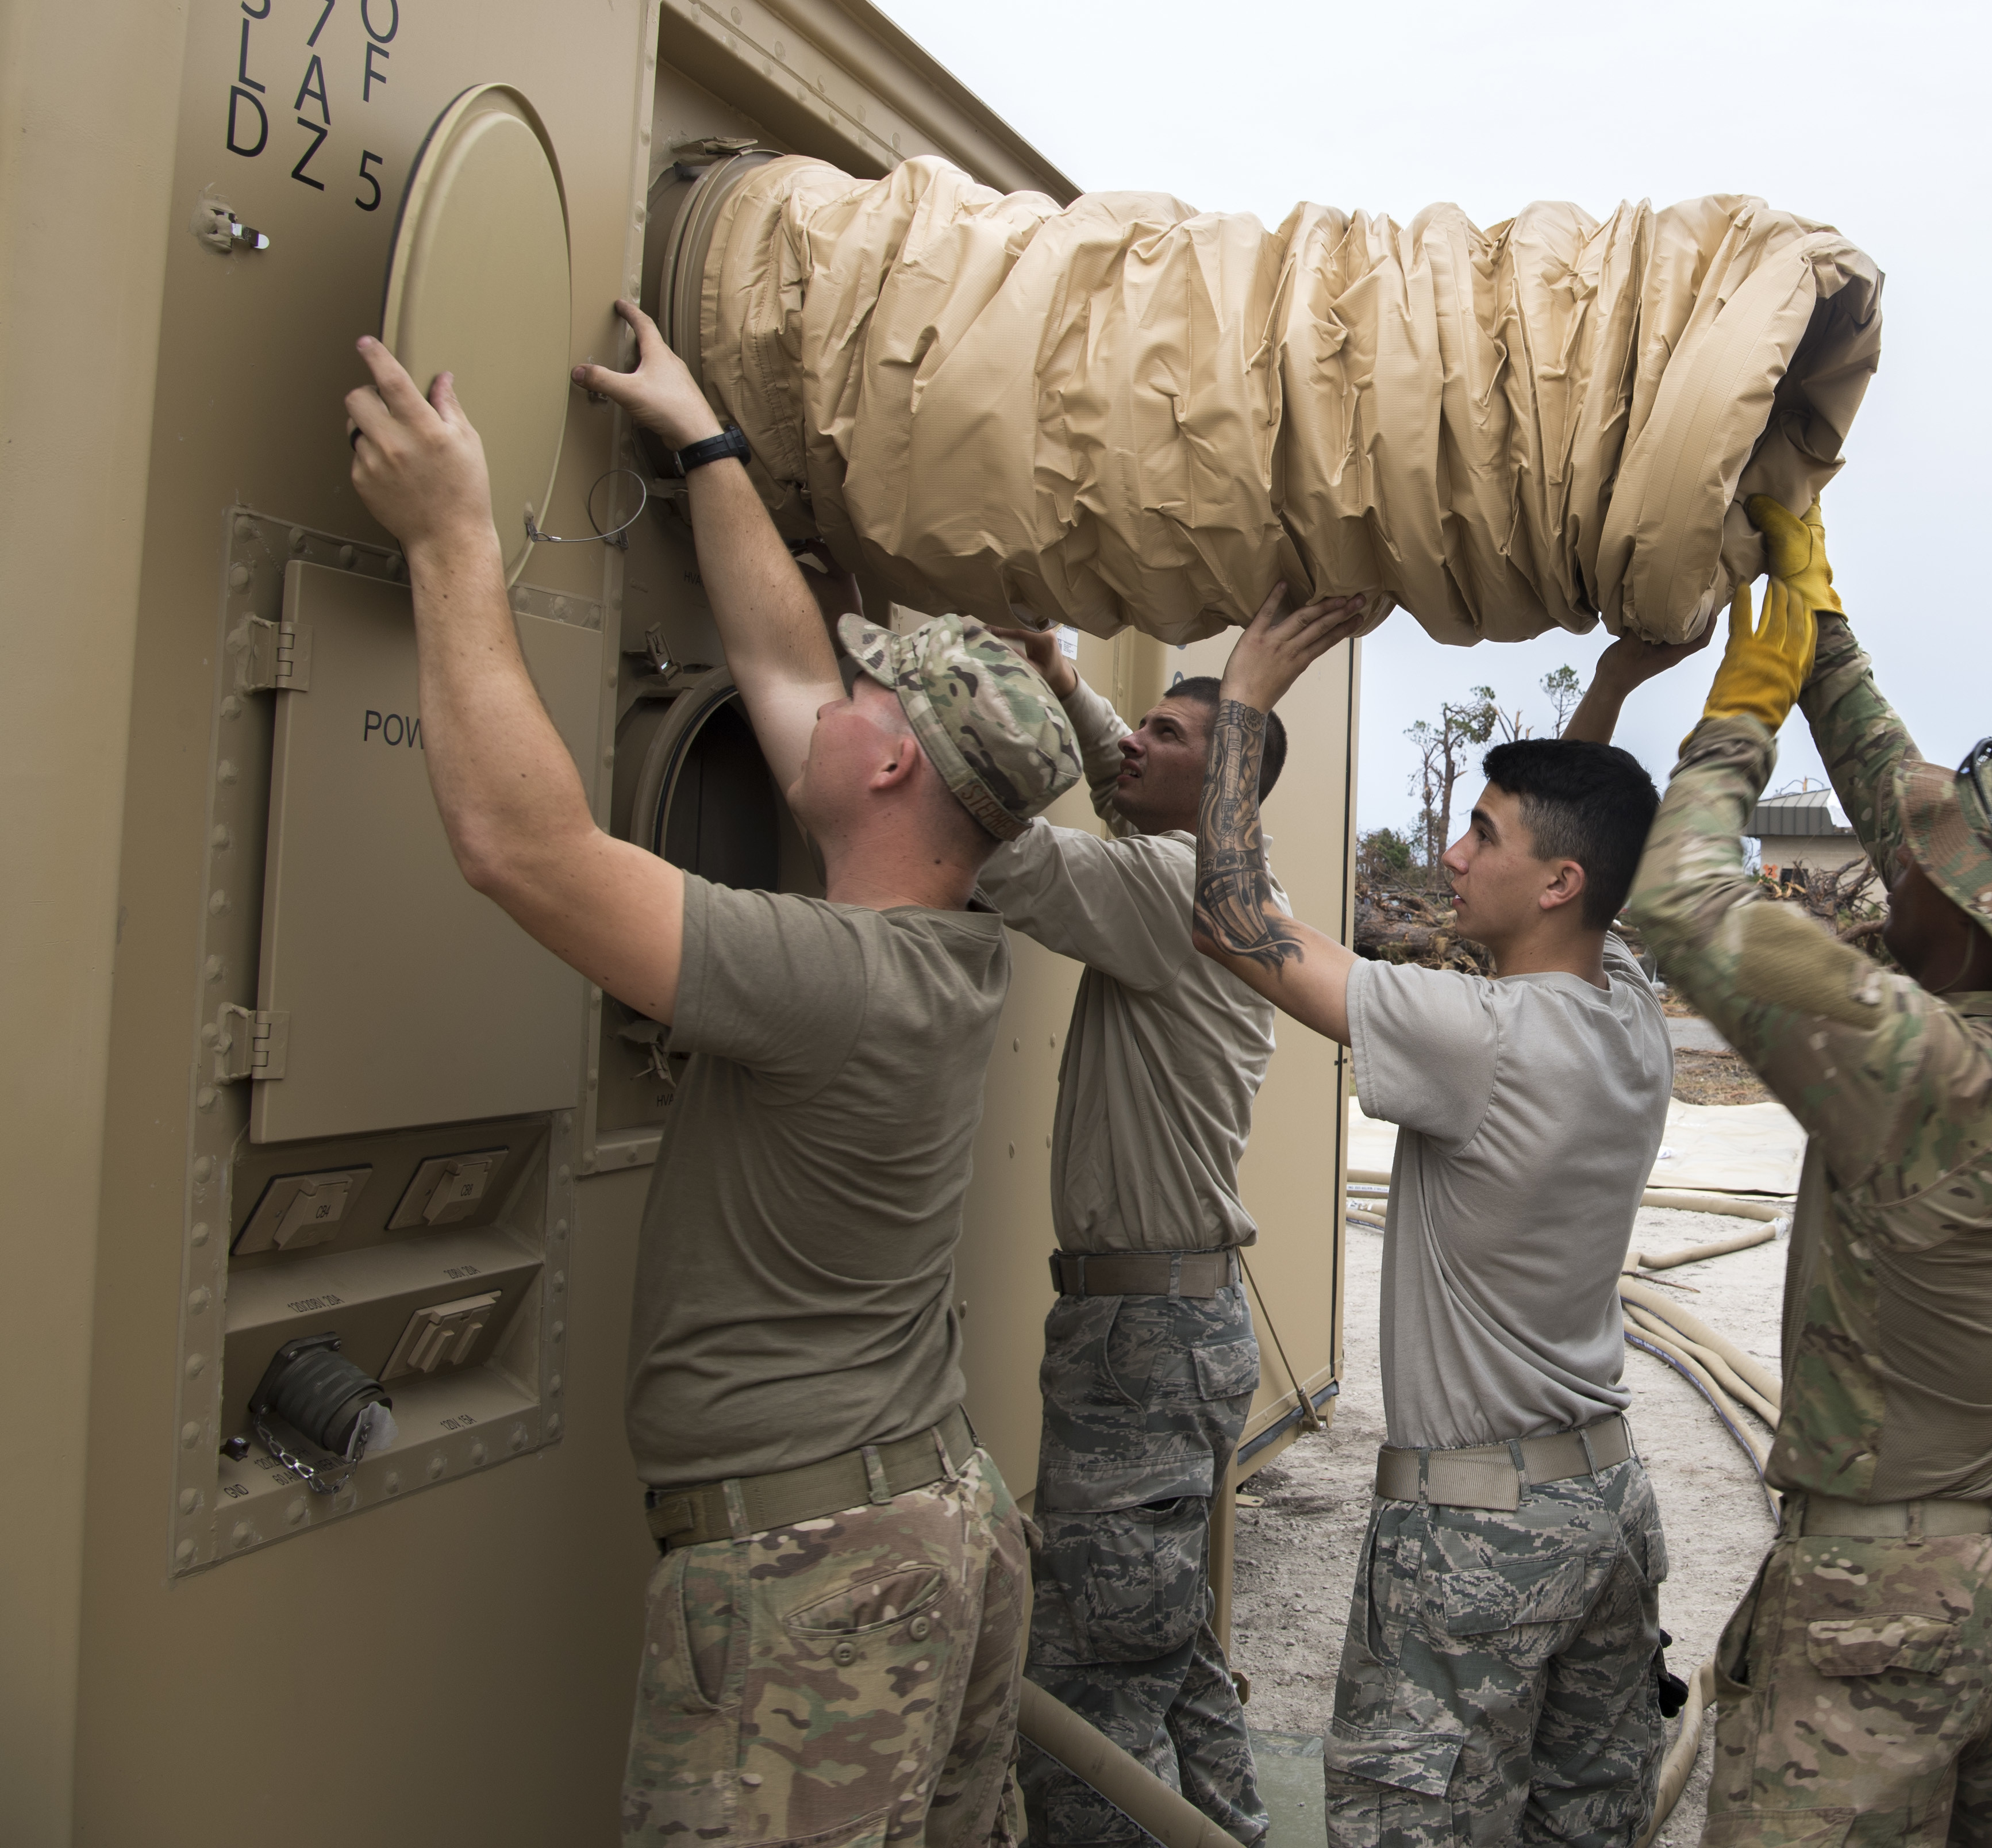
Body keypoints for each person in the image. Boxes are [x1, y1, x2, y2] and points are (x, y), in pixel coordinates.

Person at [344, 304, 1083, 1847]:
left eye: (865, 700)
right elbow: (780, 663)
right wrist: (704, 443)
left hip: (817, 1585)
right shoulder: (952, 936)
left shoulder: (831, 979)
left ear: (892, 767)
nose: (829, 699)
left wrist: (451, 538)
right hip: (935, 1521)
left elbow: (523, 848)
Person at [1632, 499, 1992, 1846]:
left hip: (1886, 1605)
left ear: (1972, 913)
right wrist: (1823, 617)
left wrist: (1739, 718)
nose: (1895, 860)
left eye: (1926, 862)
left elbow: (1680, 900)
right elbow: (1900, 801)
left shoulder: (1929, 1074)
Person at [1186, 589, 1678, 1847]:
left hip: (1477, 1532)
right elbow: (1584, 843)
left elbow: (1232, 920)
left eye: (1481, 833)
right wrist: (1609, 689)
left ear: (1558, 882)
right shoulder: (1628, 1012)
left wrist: (1244, 702)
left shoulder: (1481, 1038)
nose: (1453, 856)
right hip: (1606, 1507)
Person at [968, 629, 1291, 1846]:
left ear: (1224, 786)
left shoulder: (1171, 887)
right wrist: (1062, 681)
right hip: (1178, 1331)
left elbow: (1002, 856)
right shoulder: (1225, 880)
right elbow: (1131, 772)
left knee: (1090, 1698)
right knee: (1165, 1639)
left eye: (1169, 733)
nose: (1133, 744)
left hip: (1140, 1346)